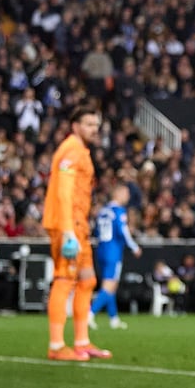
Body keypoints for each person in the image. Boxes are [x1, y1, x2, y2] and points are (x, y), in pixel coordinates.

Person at [42, 104, 112, 361]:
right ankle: (57, 345)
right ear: (75, 126)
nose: (94, 129)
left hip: (78, 225)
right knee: (64, 279)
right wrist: (68, 231)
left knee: (87, 280)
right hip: (67, 225)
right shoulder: (71, 150)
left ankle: (81, 342)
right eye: (89, 124)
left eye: (96, 124)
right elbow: (63, 191)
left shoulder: (81, 150)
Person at [90, 184, 142, 330]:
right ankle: (90, 313)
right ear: (117, 194)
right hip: (113, 251)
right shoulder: (119, 211)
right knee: (109, 286)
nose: (128, 196)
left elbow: (96, 231)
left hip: (101, 249)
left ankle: (114, 318)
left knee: (111, 286)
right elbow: (123, 232)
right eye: (125, 193)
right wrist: (134, 247)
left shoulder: (103, 211)